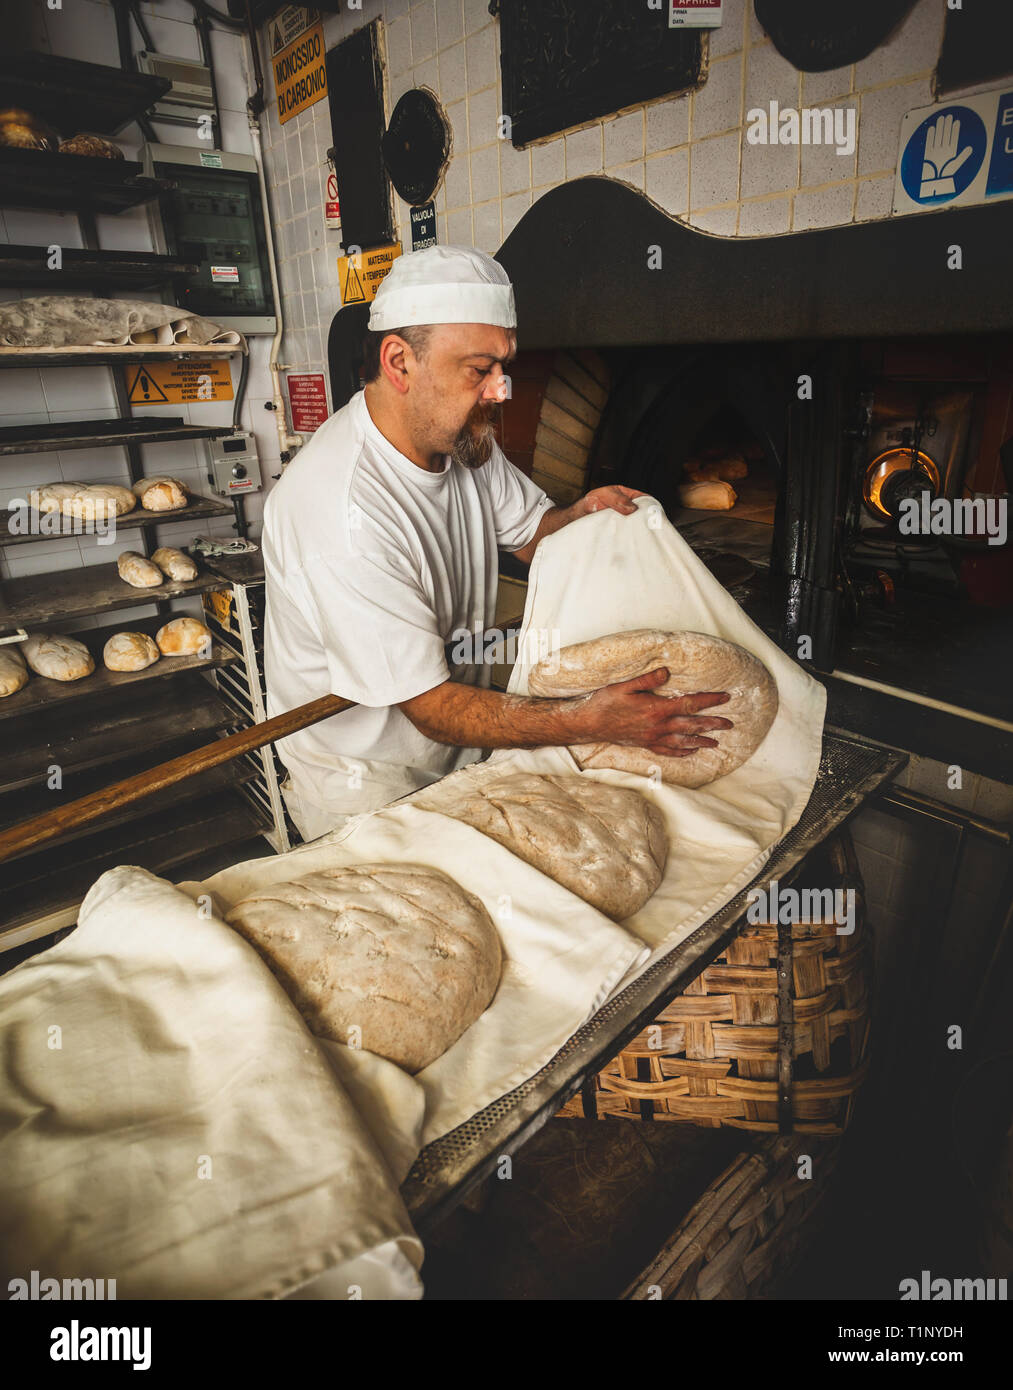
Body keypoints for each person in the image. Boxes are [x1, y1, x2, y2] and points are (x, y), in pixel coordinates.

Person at [262, 245, 731, 842]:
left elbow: (534, 535)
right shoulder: (340, 511)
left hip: (459, 751)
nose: (500, 391)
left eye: (503, 367)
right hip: (369, 790)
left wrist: (584, 516)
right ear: (400, 362)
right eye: (479, 370)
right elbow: (430, 707)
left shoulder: (461, 440)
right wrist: (587, 721)